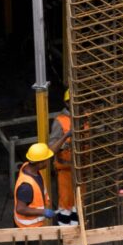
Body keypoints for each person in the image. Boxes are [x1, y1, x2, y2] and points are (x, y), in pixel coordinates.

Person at [13, 142, 56, 245]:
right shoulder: (26, 186)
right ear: (40, 162)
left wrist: (65, 137)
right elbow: (20, 209)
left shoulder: (30, 167)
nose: (49, 162)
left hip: (31, 228)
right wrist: (43, 211)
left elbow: (52, 149)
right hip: (27, 229)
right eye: (46, 160)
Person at [48, 90, 79, 226]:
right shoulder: (60, 121)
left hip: (81, 170)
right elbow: (52, 148)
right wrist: (66, 138)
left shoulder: (84, 116)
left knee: (78, 204)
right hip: (66, 170)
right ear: (66, 102)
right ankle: (66, 236)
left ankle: (77, 232)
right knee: (66, 204)